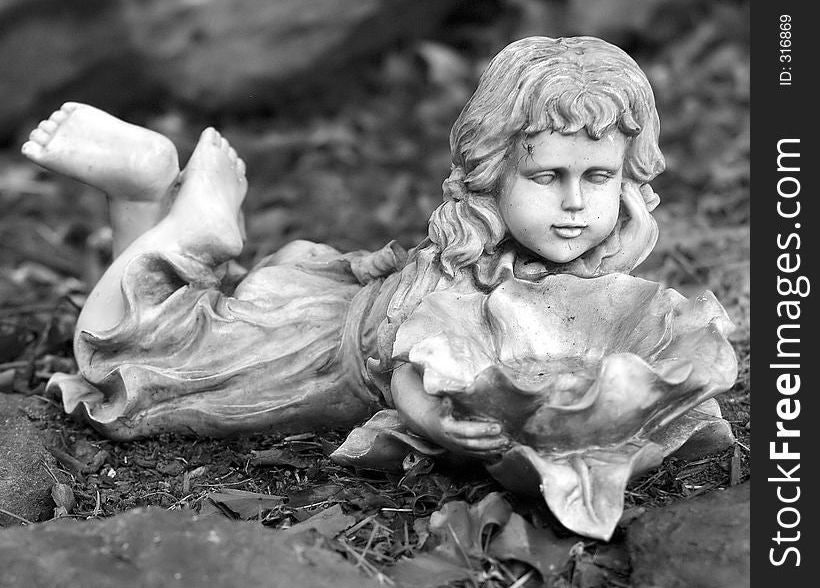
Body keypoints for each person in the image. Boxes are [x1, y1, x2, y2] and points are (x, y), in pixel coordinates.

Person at [21, 36, 719, 452]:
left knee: (186, 325)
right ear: (493, 174)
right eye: (547, 176)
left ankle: (144, 193)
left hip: (329, 307)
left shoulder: (573, 263)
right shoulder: (471, 274)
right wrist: (436, 426)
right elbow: (412, 368)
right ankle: (176, 220)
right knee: (150, 366)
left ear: (628, 176)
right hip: (318, 362)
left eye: (597, 177)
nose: (575, 204)